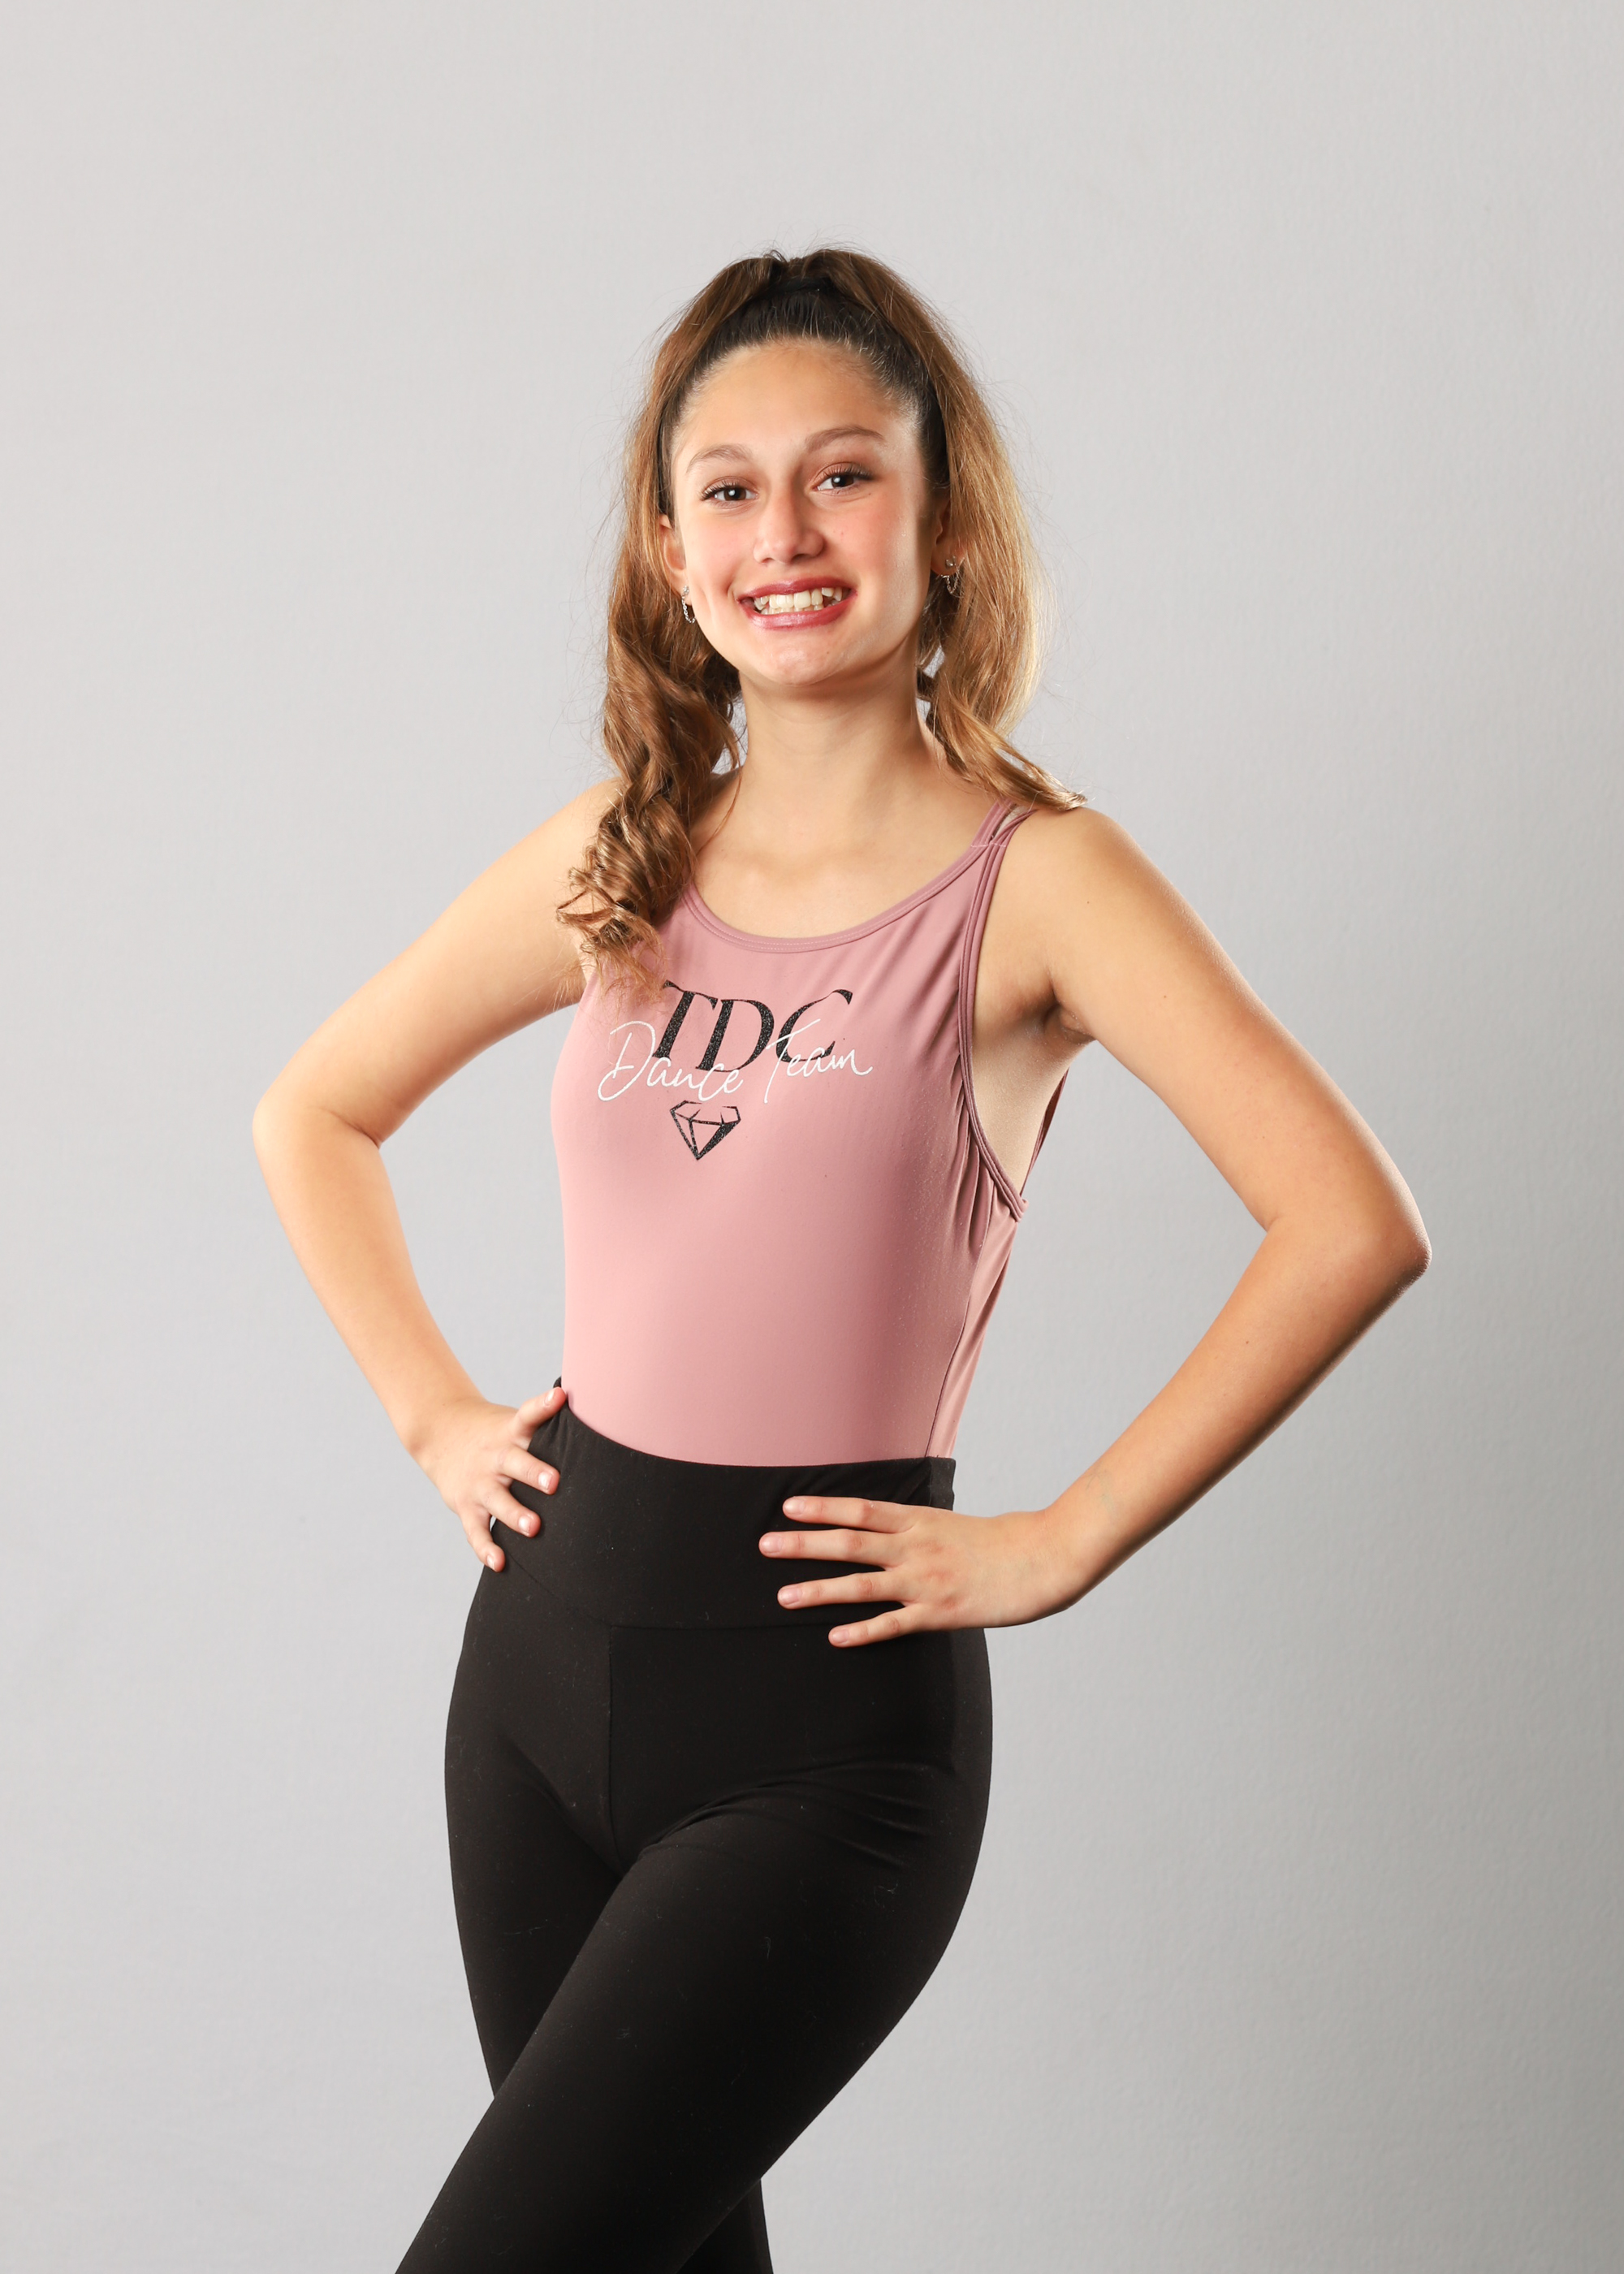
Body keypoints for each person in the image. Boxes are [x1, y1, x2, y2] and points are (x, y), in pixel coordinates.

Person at [253, 248, 1430, 2272]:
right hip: (529, 1693)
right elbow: (315, 1109)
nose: (781, 534)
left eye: (842, 476)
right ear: (669, 548)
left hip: (817, 1736)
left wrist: (1062, 1538)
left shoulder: (1039, 881)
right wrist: (434, 1410)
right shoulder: (619, 855)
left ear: (941, 517)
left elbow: (1349, 1217)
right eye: (727, 488)